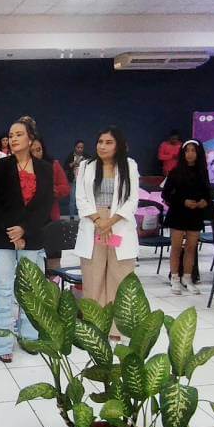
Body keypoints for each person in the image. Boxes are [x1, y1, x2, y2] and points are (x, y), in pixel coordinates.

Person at [0, 116, 53, 362]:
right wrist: (12, 231)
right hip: (3, 238)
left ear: (31, 138)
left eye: (18, 134)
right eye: (11, 135)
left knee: (30, 292)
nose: (13, 139)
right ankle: (2, 344)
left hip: (32, 237)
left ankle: (30, 337)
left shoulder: (45, 168)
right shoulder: (0, 167)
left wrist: (24, 230)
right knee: (2, 290)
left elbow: (45, 207)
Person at [74, 126, 140, 339]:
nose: (102, 146)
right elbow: (81, 198)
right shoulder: (86, 166)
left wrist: (111, 221)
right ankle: (95, 324)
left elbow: (132, 199)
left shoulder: (129, 165)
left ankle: (116, 328)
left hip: (118, 224)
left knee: (118, 275)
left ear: (118, 145)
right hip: (94, 224)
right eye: (100, 141)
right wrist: (99, 221)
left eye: (108, 142)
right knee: (93, 275)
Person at [162, 140, 212, 295]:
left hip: (195, 214)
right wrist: (183, 201)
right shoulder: (175, 172)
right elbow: (166, 194)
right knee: (176, 248)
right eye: (187, 151)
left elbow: (208, 194)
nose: (190, 154)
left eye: (193, 151)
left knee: (191, 248)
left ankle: (187, 277)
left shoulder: (202, 173)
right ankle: (175, 278)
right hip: (178, 213)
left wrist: (205, 201)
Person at [31, 137, 70, 270]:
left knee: (53, 260)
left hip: (51, 218)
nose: (36, 154)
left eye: (39, 150)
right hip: (31, 221)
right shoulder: (22, 167)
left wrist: (52, 190)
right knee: (34, 263)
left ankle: (54, 286)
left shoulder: (53, 164)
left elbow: (65, 188)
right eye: (32, 151)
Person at [64, 140, 89, 218]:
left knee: (83, 199)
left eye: (82, 147)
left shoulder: (86, 156)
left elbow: (91, 167)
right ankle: (72, 217)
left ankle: (82, 216)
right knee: (72, 199)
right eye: (78, 147)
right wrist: (73, 164)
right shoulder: (71, 156)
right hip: (73, 181)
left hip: (83, 182)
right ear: (75, 147)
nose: (80, 149)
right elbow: (65, 167)